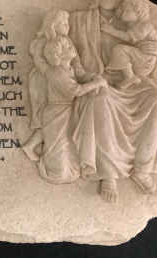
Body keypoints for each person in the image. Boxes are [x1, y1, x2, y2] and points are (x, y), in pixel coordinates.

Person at [68, 0, 157, 202]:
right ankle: (108, 173)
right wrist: (87, 77)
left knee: (156, 101)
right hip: (99, 80)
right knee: (99, 101)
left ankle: (142, 169)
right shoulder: (80, 20)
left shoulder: (132, 20)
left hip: (131, 81)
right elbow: (67, 50)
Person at [38, 32, 107, 184]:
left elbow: (81, 77)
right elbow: (75, 91)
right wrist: (96, 83)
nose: (72, 47)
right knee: (58, 150)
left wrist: (93, 78)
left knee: (70, 146)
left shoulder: (69, 69)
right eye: (68, 47)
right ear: (59, 54)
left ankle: (71, 171)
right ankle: (54, 172)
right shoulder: (57, 72)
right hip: (57, 114)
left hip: (70, 112)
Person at [102, 0, 157, 89]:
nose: (123, 12)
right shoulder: (133, 25)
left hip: (145, 59)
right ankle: (128, 77)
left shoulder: (144, 26)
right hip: (141, 57)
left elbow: (130, 37)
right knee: (121, 51)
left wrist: (111, 31)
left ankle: (130, 77)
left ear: (139, 14)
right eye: (122, 9)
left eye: (127, 10)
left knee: (120, 50)